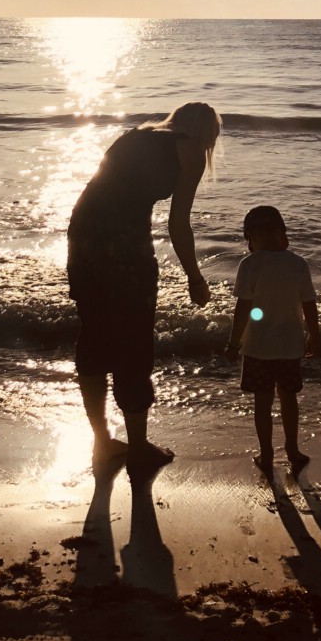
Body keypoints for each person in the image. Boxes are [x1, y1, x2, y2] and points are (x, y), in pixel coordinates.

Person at [67, 101, 221, 473]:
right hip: (123, 245)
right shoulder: (190, 151)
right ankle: (137, 447)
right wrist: (195, 278)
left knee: (93, 336)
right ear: (207, 133)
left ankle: (102, 442)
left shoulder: (137, 135)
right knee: (133, 342)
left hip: (83, 238)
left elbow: (103, 188)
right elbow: (178, 224)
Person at [225, 204, 319, 474]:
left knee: (262, 402)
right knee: (289, 399)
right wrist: (314, 334)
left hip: (258, 348)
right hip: (290, 346)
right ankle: (292, 449)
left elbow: (243, 309)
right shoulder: (298, 264)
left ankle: (266, 454)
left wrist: (233, 343)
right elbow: (309, 303)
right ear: (282, 234)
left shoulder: (249, 265)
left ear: (251, 239)